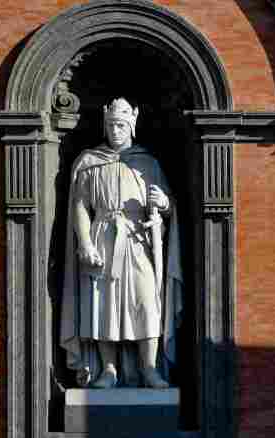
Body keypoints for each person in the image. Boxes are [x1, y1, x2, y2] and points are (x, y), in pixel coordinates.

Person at [60, 97, 182, 390]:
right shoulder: (90, 163)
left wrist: (163, 203)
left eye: (121, 125)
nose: (116, 130)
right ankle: (109, 370)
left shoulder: (148, 163)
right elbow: (79, 207)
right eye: (112, 125)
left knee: (147, 302)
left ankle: (150, 368)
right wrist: (86, 242)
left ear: (131, 126)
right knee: (103, 306)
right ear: (105, 126)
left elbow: (167, 203)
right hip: (103, 239)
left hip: (137, 240)